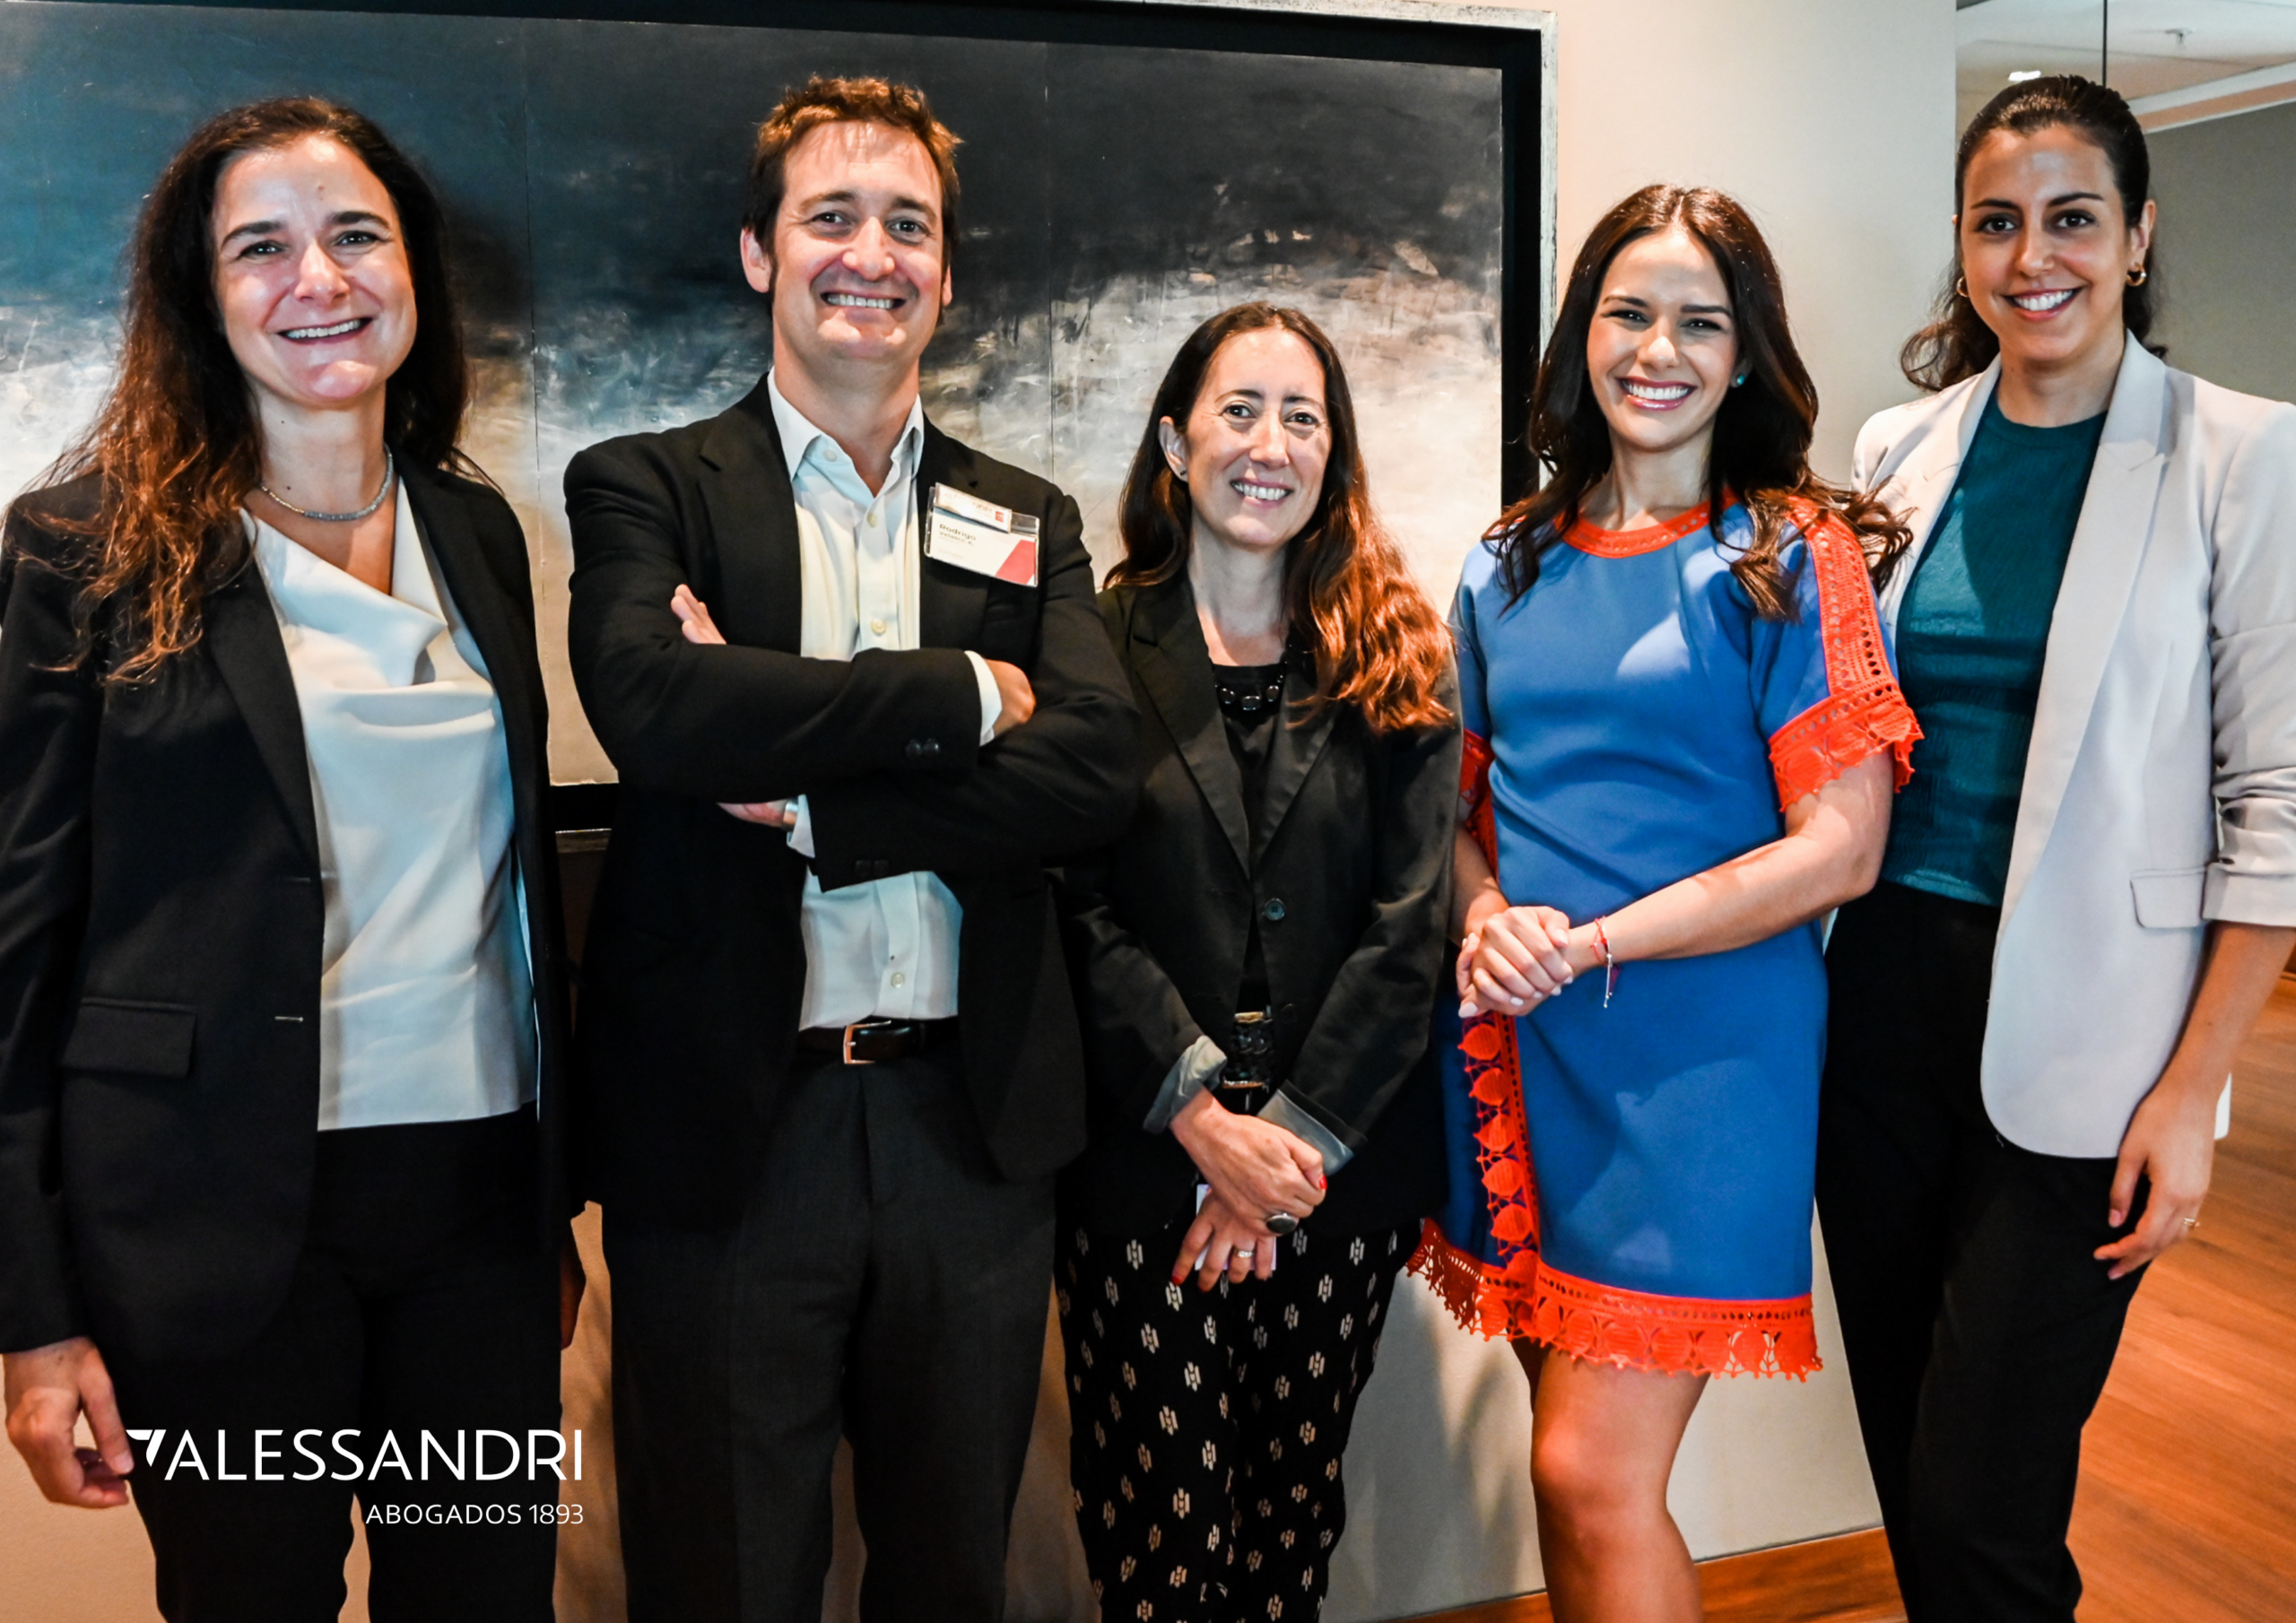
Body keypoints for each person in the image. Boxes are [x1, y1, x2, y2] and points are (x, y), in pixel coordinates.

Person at [563, 75, 1136, 1622]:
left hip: (971, 1131)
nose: (871, 255)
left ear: (946, 272)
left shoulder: (1027, 514)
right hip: (733, 1133)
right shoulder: (647, 484)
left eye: (909, 226)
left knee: (952, 1574)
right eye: (831, 217)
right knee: (725, 1581)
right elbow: (657, 709)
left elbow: (1096, 768)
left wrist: (819, 799)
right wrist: (965, 697)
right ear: (761, 252)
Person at [0, 99, 578, 1623]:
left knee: (488, 1602)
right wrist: (32, 1319)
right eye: (260, 246)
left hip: (477, 1212)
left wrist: (547, 1211)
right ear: (203, 295)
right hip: (213, 1220)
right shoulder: (81, 549)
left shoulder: (479, 532)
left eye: (355, 235)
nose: (317, 279)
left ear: (413, 270)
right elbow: (17, 951)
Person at [1816, 75, 2296, 1622]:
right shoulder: (1899, 447)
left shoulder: (2242, 455)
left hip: (2098, 1029)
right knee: (1908, 1458)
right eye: (1998, 223)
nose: (2035, 259)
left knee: (1985, 1499)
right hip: (1880, 1000)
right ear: (1964, 245)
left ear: (2139, 236)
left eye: (2074, 219)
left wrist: (2195, 1090)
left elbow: (2278, 803)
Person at [1413, 185, 1918, 1622]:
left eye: (1701, 322)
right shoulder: (1504, 559)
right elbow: (1455, 815)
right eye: (1629, 313)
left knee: (1590, 1472)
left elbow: (1841, 850)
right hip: (1524, 1047)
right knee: (1567, 1468)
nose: (1658, 350)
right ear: (1583, 335)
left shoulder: (1790, 553)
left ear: (1747, 354)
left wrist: (1591, 943)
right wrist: (1484, 916)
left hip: (1705, 1066)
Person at [1054, 303, 1457, 1618]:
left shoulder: (1397, 655)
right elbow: (1070, 905)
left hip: (1333, 1174)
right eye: (1239, 410)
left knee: (1288, 1535)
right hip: (1141, 1171)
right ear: (1176, 442)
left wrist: (1279, 1149)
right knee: (1161, 1551)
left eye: (1302, 417)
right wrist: (1202, 1120)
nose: (1268, 444)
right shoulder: (1092, 648)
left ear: (1333, 455)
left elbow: (1412, 925)